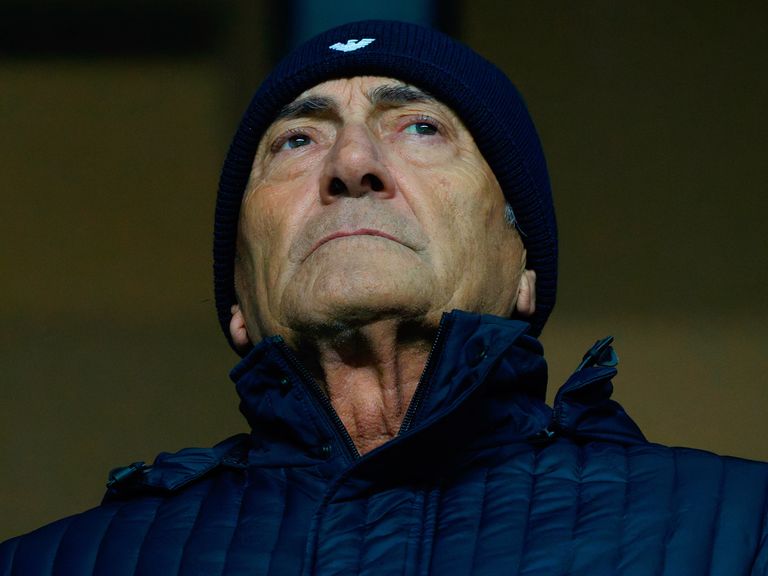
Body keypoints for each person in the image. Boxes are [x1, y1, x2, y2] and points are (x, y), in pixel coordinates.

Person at [2, 19, 767, 576]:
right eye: (297, 140)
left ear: (524, 266)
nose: (353, 162)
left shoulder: (741, 532)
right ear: (237, 296)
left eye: (421, 128)